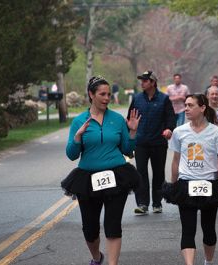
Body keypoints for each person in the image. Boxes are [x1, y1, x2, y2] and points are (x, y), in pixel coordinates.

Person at [64, 76, 141, 265]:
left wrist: (131, 132)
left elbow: (127, 151)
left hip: (116, 175)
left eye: (108, 94)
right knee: (90, 230)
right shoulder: (79, 121)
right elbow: (72, 155)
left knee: (113, 226)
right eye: (102, 94)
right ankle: (97, 258)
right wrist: (78, 137)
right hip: (87, 179)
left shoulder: (116, 119)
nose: (107, 98)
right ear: (91, 94)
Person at [163, 93, 218, 265]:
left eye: (190, 105)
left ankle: (208, 261)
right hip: (186, 183)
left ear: (202, 108)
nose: (186, 109)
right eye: (185, 105)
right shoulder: (179, 132)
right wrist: (173, 183)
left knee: (208, 229)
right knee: (187, 229)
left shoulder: (216, 132)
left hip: (209, 184)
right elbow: (175, 160)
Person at [128, 70, 176, 215]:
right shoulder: (137, 99)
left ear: (153, 82)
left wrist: (169, 129)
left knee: (158, 174)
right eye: (141, 80)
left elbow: (170, 118)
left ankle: (157, 203)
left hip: (158, 143)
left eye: (145, 80)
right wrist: (129, 134)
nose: (142, 83)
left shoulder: (164, 99)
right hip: (141, 142)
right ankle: (142, 204)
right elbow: (130, 119)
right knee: (141, 173)